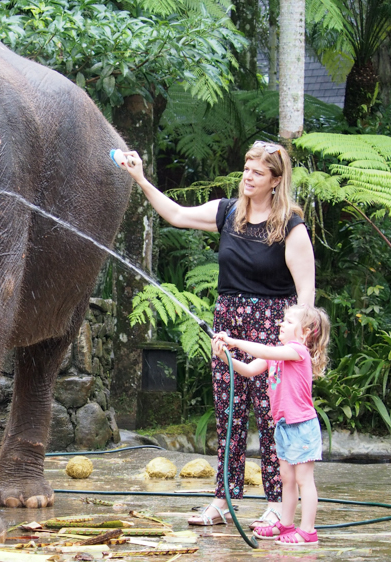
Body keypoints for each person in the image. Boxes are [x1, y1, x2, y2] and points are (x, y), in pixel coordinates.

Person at [118, 142, 315, 528]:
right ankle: (224, 500)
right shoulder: (228, 213)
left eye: (258, 172)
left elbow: (305, 298)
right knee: (229, 416)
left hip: (271, 332)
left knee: (273, 416)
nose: (248, 176)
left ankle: (278, 502)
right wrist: (140, 178)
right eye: (246, 168)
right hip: (228, 329)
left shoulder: (290, 227)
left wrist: (287, 347)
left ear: (275, 181)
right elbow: (175, 214)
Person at [212, 304, 330, 545]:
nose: (281, 325)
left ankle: (307, 531)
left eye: (287, 322)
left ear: (306, 331)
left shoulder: (297, 351)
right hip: (284, 426)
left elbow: (264, 350)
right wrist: (224, 355)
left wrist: (234, 341)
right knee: (286, 478)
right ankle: (286, 526)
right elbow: (247, 370)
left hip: (301, 426)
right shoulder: (276, 354)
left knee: (304, 480)